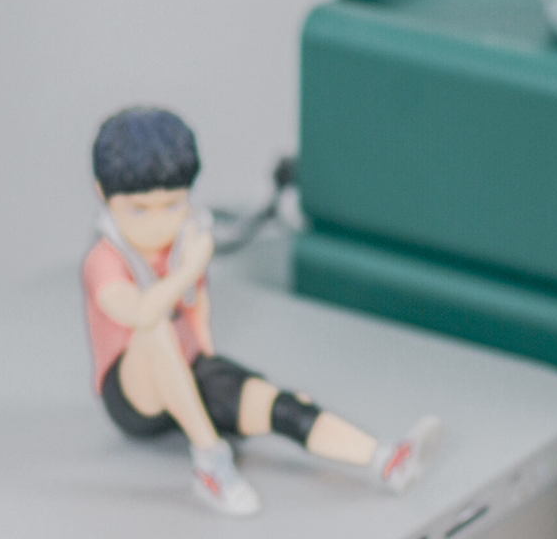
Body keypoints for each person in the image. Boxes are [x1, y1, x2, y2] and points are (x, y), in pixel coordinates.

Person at [84, 105, 437, 517]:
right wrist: (191, 268)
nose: (158, 223)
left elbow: (197, 314)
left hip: (188, 371)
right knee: (154, 332)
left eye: (173, 205)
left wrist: (218, 377)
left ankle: (384, 459)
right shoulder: (106, 260)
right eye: (139, 210)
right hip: (133, 393)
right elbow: (144, 313)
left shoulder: (184, 240)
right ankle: (210, 462)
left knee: (281, 406)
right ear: (103, 194)